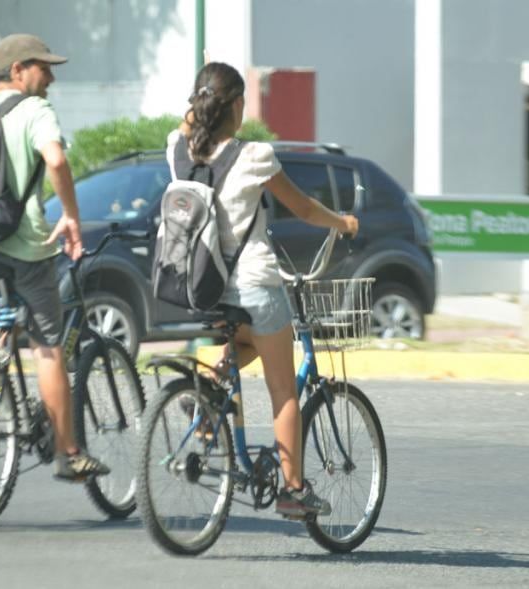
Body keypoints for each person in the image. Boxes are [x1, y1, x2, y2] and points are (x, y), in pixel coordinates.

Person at [168, 62, 359, 517]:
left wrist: (202, 104)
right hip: (254, 283)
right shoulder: (254, 156)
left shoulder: (177, 150)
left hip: (201, 286)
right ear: (237, 105)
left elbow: (187, 126)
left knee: (243, 342)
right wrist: (344, 222)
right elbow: (306, 210)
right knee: (283, 391)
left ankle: (210, 394)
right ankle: (293, 490)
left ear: (198, 104)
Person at [0, 33, 109, 481]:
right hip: (23, 245)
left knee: (3, 310)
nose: (52, 76)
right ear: (17, 71)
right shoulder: (35, 110)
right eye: (44, 66)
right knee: (48, 349)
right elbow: (55, 161)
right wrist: (71, 217)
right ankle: (69, 451)